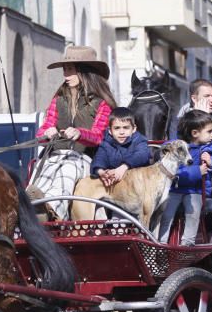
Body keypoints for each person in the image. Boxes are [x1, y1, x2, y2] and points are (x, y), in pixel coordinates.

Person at [29, 45, 116, 220]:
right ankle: (31, 205)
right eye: (64, 70)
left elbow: (99, 136)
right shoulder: (58, 99)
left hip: (84, 159)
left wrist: (80, 134)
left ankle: (51, 211)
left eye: (69, 70)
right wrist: (47, 132)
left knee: (67, 169)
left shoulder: (102, 103)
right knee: (43, 170)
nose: (65, 75)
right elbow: (41, 132)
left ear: (83, 71)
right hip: (55, 155)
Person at [157, 110, 212, 246]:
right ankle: (161, 242)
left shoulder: (211, 145)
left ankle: (188, 243)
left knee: (193, 214)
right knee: (167, 214)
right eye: (209, 131)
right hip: (175, 188)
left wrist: (211, 161)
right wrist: (197, 171)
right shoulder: (177, 147)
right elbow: (172, 170)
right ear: (195, 133)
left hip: (196, 190)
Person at [90, 107, 151, 187]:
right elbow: (99, 158)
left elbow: (142, 155)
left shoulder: (139, 141)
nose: (121, 132)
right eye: (117, 128)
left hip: (139, 183)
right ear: (110, 131)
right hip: (117, 185)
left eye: (126, 127)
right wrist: (101, 172)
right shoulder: (106, 144)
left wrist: (124, 167)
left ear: (133, 129)